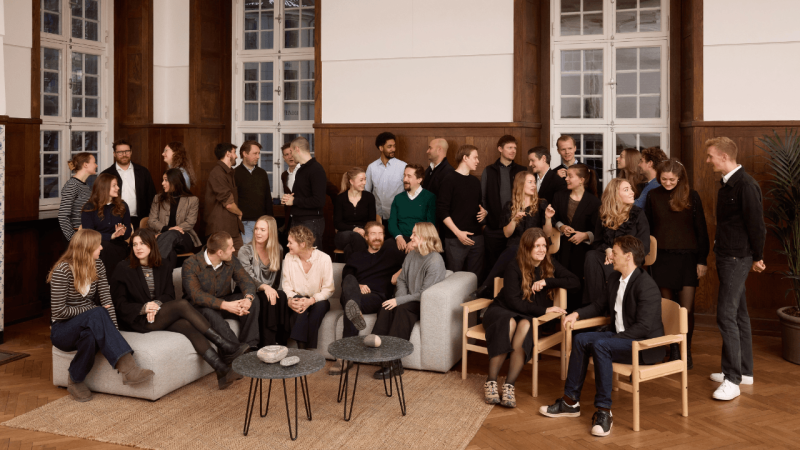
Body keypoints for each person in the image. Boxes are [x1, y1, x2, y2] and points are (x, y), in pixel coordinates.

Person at [540, 236, 665, 437]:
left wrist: (609, 341)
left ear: (628, 256)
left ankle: (604, 412)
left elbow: (643, 328)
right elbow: (599, 305)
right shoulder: (615, 279)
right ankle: (570, 403)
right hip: (620, 338)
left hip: (643, 345)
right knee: (580, 339)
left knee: (601, 345)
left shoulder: (647, 285)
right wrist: (576, 314)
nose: (610, 256)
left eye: (614, 253)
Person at [111, 229, 249, 390]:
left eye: (142, 243)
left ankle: (221, 370)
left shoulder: (162, 265)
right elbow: (119, 303)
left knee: (187, 325)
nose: (138, 247)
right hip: (138, 319)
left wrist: (155, 304)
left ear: (151, 245)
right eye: (135, 244)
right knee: (182, 304)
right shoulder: (123, 268)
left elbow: (168, 295)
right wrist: (144, 308)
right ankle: (226, 345)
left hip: (159, 314)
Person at [48, 229, 154, 402]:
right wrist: (90, 309)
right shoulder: (63, 270)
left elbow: (107, 301)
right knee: (97, 311)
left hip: (88, 324)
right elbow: (58, 312)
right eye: (98, 245)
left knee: (90, 336)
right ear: (87, 248)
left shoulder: (98, 265)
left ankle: (75, 380)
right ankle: (129, 370)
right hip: (63, 330)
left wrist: (114, 333)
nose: (102, 248)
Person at [482, 228, 579, 407]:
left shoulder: (549, 264)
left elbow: (575, 281)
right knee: (510, 323)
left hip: (527, 315)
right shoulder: (514, 266)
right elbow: (513, 302)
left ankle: (509, 385)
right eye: (537, 246)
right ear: (527, 248)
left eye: (544, 245)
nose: (542, 250)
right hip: (502, 310)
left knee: (525, 326)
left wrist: (547, 281)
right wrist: (544, 310)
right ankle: (491, 381)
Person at [704, 137, 765, 401]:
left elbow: (757, 225)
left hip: (736, 258)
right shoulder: (728, 184)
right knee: (739, 314)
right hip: (728, 256)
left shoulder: (746, 185)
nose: (708, 160)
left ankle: (732, 380)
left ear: (724, 157)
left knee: (726, 315)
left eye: (710, 156)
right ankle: (744, 371)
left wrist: (757, 257)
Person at [645, 158, 709, 370]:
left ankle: (685, 351)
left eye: (672, 180)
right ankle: (673, 349)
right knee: (668, 309)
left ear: (680, 178)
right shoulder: (653, 195)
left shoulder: (692, 196)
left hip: (687, 259)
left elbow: (701, 230)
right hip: (661, 259)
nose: (668, 183)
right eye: (664, 179)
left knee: (686, 310)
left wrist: (702, 260)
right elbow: (648, 228)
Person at [363, 222, 446, 379]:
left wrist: (399, 301)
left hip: (423, 303)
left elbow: (424, 294)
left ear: (425, 237)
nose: (411, 237)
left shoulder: (435, 261)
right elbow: (401, 279)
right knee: (386, 306)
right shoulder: (412, 254)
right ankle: (376, 348)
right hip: (408, 299)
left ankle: (393, 363)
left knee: (401, 309)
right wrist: (399, 298)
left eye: (414, 234)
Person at [333, 221, 405, 375]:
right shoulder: (356, 256)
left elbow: (412, 261)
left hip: (375, 298)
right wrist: (358, 286)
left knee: (350, 305)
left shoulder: (392, 255)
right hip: (353, 294)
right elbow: (346, 279)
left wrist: (400, 272)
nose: (377, 237)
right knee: (350, 283)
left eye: (380, 234)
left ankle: (345, 357)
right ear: (365, 237)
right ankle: (355, 310)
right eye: (373, 234)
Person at [475, 172, 554, 298]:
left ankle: (485, 287)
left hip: (535, 245)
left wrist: (548, 218)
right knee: (514, 250)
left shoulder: (542, 204)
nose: (534, 185)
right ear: (520, 184)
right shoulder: (509, 206)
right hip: (514, 246)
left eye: (534, 182)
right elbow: (507, 234)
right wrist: (514, 220)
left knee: (516, 249)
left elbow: (547, 234)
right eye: (530, 182)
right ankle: (495, 293)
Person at [182, 231, 260, 354]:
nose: (234, 250)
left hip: (224, 300)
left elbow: (245, 280)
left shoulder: (231, 260)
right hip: (199, 308)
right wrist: (225, 305)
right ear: (220, 252)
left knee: (254, 301)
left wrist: (248, 298)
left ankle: (250, 346)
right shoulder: (191, 263)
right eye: (231, 247)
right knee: (211, 313)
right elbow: (197, 295)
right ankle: (236, 351)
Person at [582, 178, 650, 306]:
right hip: (607, 258)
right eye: (626, 190)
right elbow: (597, 242)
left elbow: (644, 246)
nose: (632, 192)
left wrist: (618, 255)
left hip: (629, 259)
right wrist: (608, 250)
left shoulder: (638, 214)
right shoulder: (603, 213)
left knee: (599, 270)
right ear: (615, 195)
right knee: (591, 256)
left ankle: (599, 308)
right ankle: (596, 307)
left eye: (630, 189)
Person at [551, 164, 601, 311]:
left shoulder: (594, 202)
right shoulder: (559, 196)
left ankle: (576, 316)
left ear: (581, 180)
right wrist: (561, 227)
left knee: (578, 283)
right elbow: (551, 218)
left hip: (582, 252)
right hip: (560, 250)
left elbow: (598, 230)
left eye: (570, 176)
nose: (566, 179)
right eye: (566, 175)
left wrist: (585, 235)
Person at [238, 215, 289, 347]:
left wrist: (271, 290)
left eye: (262, 230)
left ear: (271, 232)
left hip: (268, 290)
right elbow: (247, 278)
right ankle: (267, 344)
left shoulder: (278, 249)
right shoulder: (245, 250)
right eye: (256, 229)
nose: (258, 233)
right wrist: (266, 287)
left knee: (281, 295)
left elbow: (277, 279)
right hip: (249, 290)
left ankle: (281, 342)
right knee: (266, 297)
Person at [437, 145, 487, 275]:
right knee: (454, 278)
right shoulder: (448, 179)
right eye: (475, 157)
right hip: (455, 239)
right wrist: (458, 233)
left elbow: (479, 206)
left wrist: (484, 212)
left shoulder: (475, 181)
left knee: (475, 278)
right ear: (465, 158)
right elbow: (442, 210)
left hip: (477, 238)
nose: (478, 161)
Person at [282, 225, 334, 349]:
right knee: (299, 304)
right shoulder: (288, 258)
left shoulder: (324, 259)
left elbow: (328, 289)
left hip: (318, 300)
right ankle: (304, 350)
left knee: (320, 306)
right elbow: (286, 286)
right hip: (297, 297)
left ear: (302, 244)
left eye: (290, 243)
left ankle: (305, 350)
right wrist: (291, 299)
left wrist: (311, 300)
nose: (287, 245)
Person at [481, 135, 526, 276]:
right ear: (500, 149)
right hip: (494, 228)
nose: (513, 151)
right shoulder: (489, 170)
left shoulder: (522, 170)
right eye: (509, 147)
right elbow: (482, 198)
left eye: (515, 148)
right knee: (493, 266)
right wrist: (484, 225)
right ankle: (491, 290)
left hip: (516, 229)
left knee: (515, 266)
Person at [81, 173, 132, 276]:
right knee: (106, 247)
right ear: (104, 187)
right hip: (96, 246)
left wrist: (123, 232)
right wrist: (111, 236)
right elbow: (89, 234)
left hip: (119, 245)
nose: (118, 188)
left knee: (115, 249)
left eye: (117, 185)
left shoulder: (123, 205)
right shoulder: (89, 207)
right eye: (114, 185)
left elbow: (128, 231)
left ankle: (111, 282)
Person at [101, 140, 156, 230]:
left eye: (127, 151)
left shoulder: (143, 172)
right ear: (114, 154)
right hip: (113, 220)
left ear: (131, 152)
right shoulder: (106, 174)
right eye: (120, 152)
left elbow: (152, 196)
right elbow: (101, 199)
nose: (124, 154)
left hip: (140, 220)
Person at [281, 137, 327, 247]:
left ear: (297, 149)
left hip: (311, 222)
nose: (291, 156)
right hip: (297, 220)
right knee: (296, 255)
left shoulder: (316, 169)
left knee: (311, 256)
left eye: (291, 151)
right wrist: (289, 198)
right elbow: (302, 195)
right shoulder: (301, 170)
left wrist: (294, 201)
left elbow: (319, 201)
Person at [148, 168, 201, 258]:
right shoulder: (158, 198)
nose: (162, 183)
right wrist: (168, 229)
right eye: (162, 180)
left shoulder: (192, 200)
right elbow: (151, 221)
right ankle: (161, 265)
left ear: (175, 181)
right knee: (170, 251)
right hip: (161, 237)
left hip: (183, 238)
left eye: (166, 180)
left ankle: (154, 262)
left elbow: (190, 223)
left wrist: (170, 231)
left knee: (172, 235)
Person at [205, 143, 245, 251]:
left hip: (230, 228)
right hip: (221, 229)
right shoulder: (217, 173)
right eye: (234, 152)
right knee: (226, 258)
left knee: (238, 257)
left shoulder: (227, 172)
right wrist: (240, 213)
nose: (236, 156)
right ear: (228, 154)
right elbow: (228, 204)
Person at [388, 164, 436, 253]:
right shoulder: (398, 198)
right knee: (386, 248)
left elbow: (431, 225)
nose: (405, 179)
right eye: (404, 175)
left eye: (409, 176)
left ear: (419, 179)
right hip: (400, 238)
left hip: (420, 240)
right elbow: (392, 223)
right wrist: (398, 236)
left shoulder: (429, 198)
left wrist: (415, 241)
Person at [234, 140, 274, 245]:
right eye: (255, 153)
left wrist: (271, 221)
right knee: (248, 252)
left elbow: (267, 198)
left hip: (263, 223)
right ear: (245, 154)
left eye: (258, 153)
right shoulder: (234, 174)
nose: (258, 157)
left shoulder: (262, 173)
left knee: (263, 252)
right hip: (244, 223)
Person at [334, 167, 377, 262]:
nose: (364, 183)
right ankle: (366, 266)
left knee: (349, 248)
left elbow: (372, 221)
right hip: (344, 234)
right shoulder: (340, 198)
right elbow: (337, 223)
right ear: (351, 181)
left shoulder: (369, 197)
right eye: (361, 180)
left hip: (364, 233)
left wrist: (364, 231)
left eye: (365, 179)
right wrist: (355, 229)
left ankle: (352, 269)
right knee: (355, 236)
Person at [366, 132, 407, 223]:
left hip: (398, 216)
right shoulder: (371, 167)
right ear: (381, 148)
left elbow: (409, 192)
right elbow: (366, 192)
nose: (393, 149)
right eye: (389, 146)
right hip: (377, 217)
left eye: (394, 146)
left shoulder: (403, 166)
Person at [59, 152, 97, 243]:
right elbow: (63, 215)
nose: (96, 165)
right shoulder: (72, 185)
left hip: (86, 234)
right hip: (78, 236)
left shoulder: (85, 185)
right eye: (94, 162)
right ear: (85, 165)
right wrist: (73, 238)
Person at [279, 143, 298, 233]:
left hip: (304, 218)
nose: (290, 157)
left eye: (291, 153)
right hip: (290, 218)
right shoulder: (284, 175)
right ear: (284, 158)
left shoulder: (306, 171)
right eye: (286, 154)